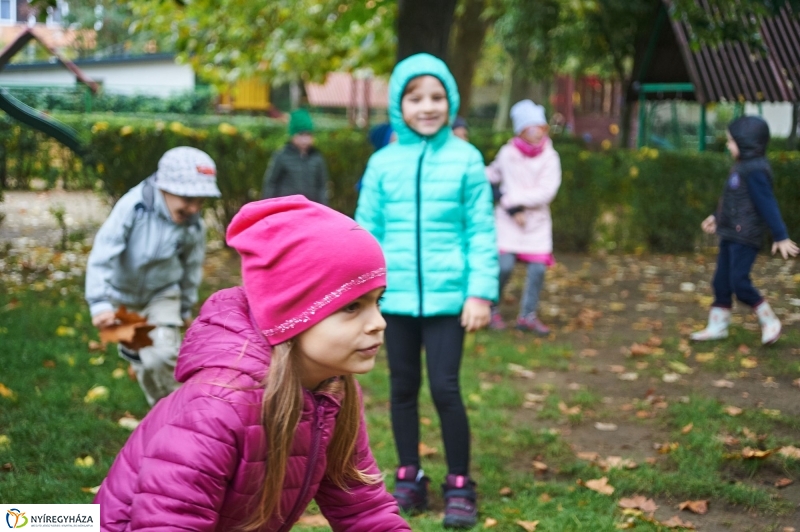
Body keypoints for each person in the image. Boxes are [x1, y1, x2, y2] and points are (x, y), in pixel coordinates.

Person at [94, 196, 410, 532]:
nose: (378, 322)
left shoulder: (334, 391)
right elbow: (168, 522)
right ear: (293, 313)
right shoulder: (218, 407)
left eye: (378, 302)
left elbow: (363, 510)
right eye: (352, 307)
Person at [355, 53, 498, 529]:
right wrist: (360, 296)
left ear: (451, 101)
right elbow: (365, 233)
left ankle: (459, 482)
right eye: (415, 98)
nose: (428, 106)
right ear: (400, 105)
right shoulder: (382, 163)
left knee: (445, 387)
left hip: (447, 300)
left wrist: (479, 293)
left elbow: (480, 230)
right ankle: (408, 474)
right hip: (393, 301)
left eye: (437, 97)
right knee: (401, 388)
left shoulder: (466, 159)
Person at [85, 146, 220, 406]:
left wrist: (184, 306)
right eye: (187, 199)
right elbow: (103, 253)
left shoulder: (192, 225)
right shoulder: (133, 208)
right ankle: (160, 412)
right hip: (121, 297)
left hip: (163, 293)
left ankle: (185, 407)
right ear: (164, 188)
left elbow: (191, 268)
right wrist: (99, 302)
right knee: (144, 364)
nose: (194, 208)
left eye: (201, 201)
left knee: (163, 354)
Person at [691, 116, 798, 344]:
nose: (728, 145)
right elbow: (732, 199)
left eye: (731, 141)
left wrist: (780, 235)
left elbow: (767, 202)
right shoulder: (741, 166)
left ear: (747, 143)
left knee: (739, 283)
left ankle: (770, 320)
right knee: (721, 282)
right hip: (730, 233)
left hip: (745, 236)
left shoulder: (756, 170)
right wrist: (716, 217)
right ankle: (717, 326)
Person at [486, 100, 561, 334]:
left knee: (538, 269)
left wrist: (511, 199)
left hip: (536, 224)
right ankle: (490, 308)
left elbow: (546, 192)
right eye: (532, 128)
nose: (538, 133)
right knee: (504, 266)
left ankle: (528, 315)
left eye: (542, 127)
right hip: (508, 222)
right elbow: (493, 174)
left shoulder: (550, 157)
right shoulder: (507, 153)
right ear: (521, 131)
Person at [261, 109, 329, 204]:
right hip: (286, 208)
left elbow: (322, 187)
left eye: (308, 135)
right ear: (292, 135)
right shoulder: (281, 156)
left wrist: (324, 208)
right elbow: (271, 184)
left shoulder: (317, 158)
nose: (305, 140)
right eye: (301, 135)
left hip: (310, 209)